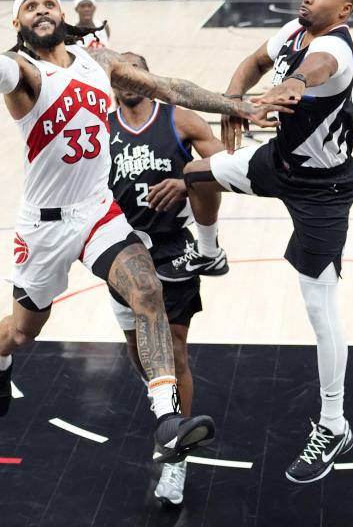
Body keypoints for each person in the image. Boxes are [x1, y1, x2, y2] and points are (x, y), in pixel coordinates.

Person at [0, 0, 287, 466]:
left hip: (98, 210)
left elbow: (169, 87)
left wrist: (232, 104)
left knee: (148, 291)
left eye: (48, 3)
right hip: (46, 226)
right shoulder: (25, 74)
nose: (41, 10)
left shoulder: (99, 61)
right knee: (24, 329)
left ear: (61, 13)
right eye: (28, 7)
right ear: (17, 25)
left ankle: (167, 420)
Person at [169, 0, 353, 484]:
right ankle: (209, 250)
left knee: (320, 308)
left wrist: (292, 84)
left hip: (324, 192)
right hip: (278, 163)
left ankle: (334, 423)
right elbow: (255, 61)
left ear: (344, 10)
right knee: (195, 172)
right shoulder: (295, 32)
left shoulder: (336, 49)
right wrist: (234, 99)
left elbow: (314, 70)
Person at [107, 51, 225, 504]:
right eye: (121, 73)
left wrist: (189, 177)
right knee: (141, 356)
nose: (129, 79)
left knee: (174, 353)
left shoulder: (181, 120)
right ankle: (165, 400)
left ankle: (175, 459)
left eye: (137, 71)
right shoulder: (98, 124)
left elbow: (224, 171)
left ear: (151, 78)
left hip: (173, 249)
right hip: (118, 250)